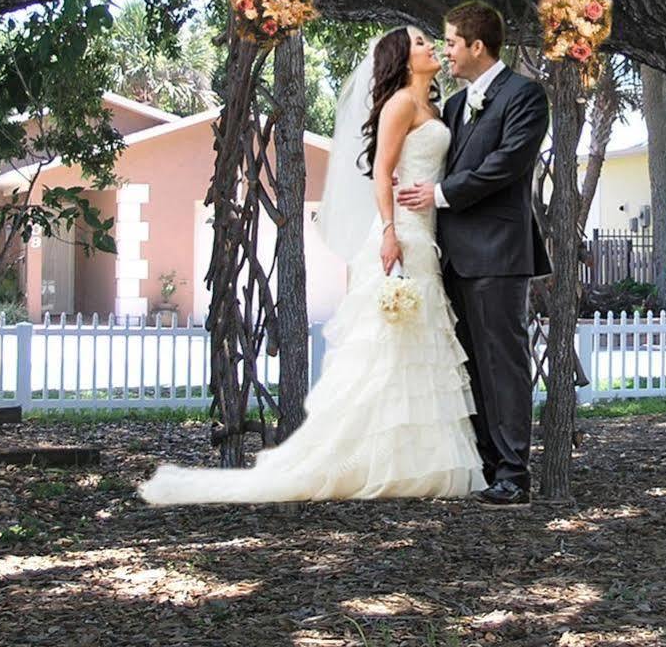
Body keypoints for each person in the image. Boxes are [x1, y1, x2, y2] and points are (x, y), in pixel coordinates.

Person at [137, 27, 484, 504]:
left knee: (419, 347)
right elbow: (382, 173)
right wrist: (388, 231)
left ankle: (413, 459)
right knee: (387, 348)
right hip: (401, 233)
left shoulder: (433, 106)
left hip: (426, 234)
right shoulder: (401, 103)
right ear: (404, 59)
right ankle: (372, 459)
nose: (432, 47)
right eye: (422, 42)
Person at [396, 1, 552, 506]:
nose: (446, 52)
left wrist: (439, 196)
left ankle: (514, 472)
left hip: (500, 253)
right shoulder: (459, 106)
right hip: (452, 256)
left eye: (451, 43)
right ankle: (485, 463)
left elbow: (507, 164)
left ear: (476, 46)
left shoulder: (525, 96)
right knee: (471, 365)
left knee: (502, 361)